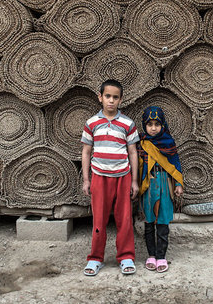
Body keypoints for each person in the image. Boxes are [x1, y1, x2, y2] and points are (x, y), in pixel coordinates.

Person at [81, 79, 140, 276]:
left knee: (124, 219)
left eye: (115, 97)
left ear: (121, 99)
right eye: (107, 96)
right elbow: (86, 152)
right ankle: (96, 258)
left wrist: (134, 181)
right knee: (99, 220)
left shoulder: (128, 124)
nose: (111, 101)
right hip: (99, 176)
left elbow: (133, 152)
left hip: (122, 176)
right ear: (100, 97)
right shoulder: (91, 123)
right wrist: (87, 180)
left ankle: (126, 256)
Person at [138, 106, 183, 273]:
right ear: (144, 125)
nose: (153, 128)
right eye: (149, 124)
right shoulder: (142, 142)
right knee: (149, 222)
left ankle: (161, 256)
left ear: (162, 124)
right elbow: (137, 166)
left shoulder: (168, 142)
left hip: (164, 183)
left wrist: (178, 184)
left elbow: (175, 163)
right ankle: (151, 255)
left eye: (157, 124)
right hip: (148, 185)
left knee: (162, 221)